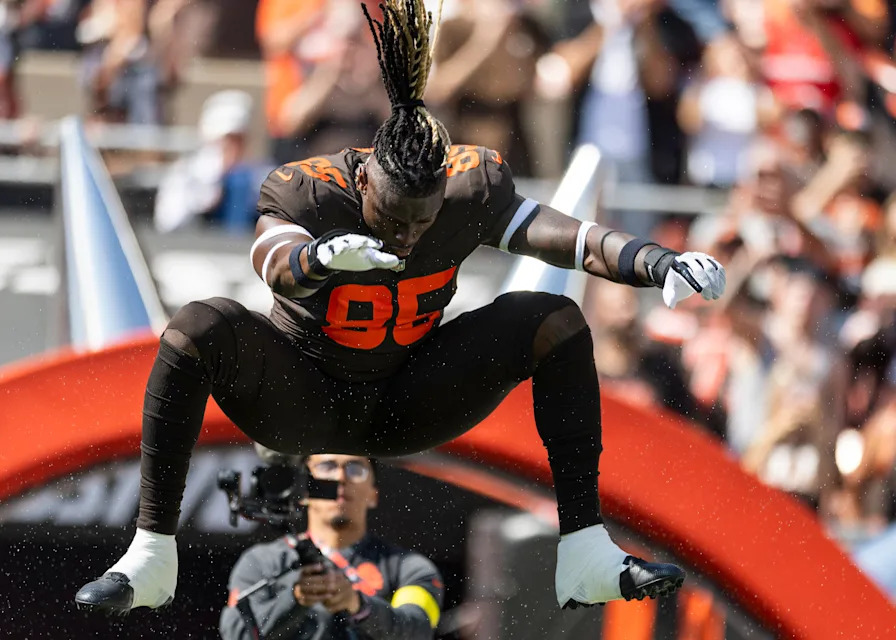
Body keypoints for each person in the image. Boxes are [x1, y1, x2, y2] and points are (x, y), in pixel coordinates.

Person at [75, 0, 727, 615]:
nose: (406, 236)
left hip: (406, 402)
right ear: (362, 179)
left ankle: (584, 548)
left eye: (422, 220)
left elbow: (563, 235)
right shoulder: (309, 191)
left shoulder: (472, 184)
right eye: (393, 217)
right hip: (304, 399)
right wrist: (320, 261)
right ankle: (152, 552)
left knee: (550, 320)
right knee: (198, 326)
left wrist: (654, 261)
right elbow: (273, 258)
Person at [219, 452, 443, 640]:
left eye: (356, 468)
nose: (341, 478)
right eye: (327, 467)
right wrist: (295, 600)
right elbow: (236, 634)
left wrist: (359, 605)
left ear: (373, 495)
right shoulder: (260, 562)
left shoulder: (409, 568)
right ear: (304, 489)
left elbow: (418, 629)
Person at [154, 90, 273, 235]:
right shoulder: (184, 175)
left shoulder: (261, 176)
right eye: (226, 141)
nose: (232, 148)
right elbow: (168, 224)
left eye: (238, 140)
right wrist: (208, 190)